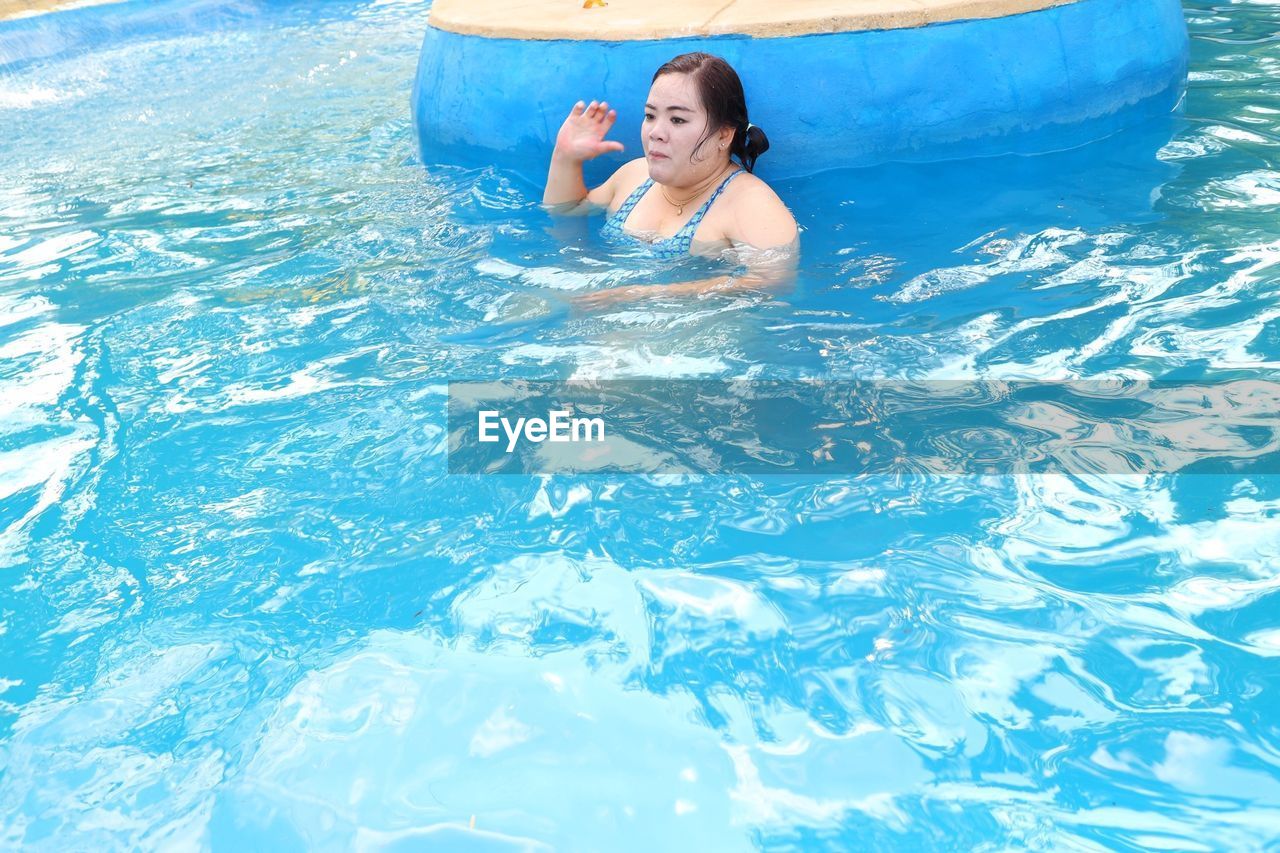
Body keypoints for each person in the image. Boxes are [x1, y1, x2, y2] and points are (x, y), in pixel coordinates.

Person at [542, 52, 798, 309]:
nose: (656, 133)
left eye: (677, 120)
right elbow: (567, 211)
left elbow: (773, 281)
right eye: (650, 116)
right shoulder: (634, 177)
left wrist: (642, 294)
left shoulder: (750, 204)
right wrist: (565, 159)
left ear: (724, 134)